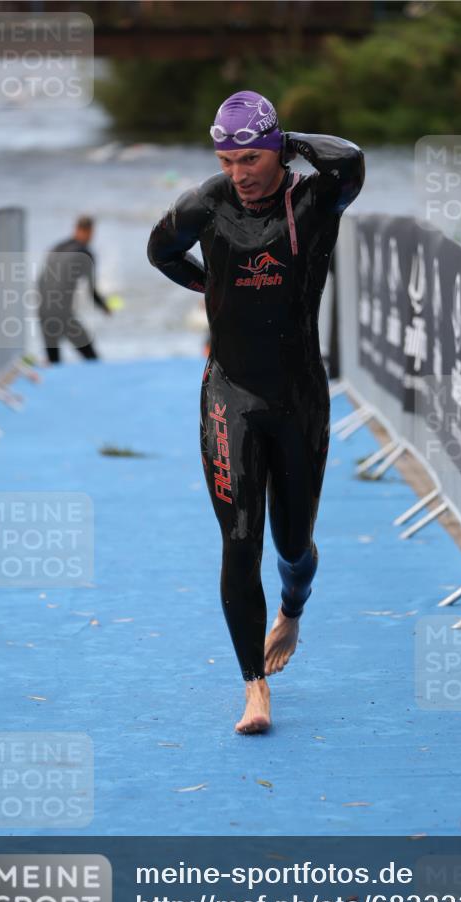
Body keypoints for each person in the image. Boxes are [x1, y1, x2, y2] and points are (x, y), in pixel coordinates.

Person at [147, 90, 364, 734]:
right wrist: (207, 284)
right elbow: (160, 251)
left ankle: (293, 607)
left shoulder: (316, 199)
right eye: (226, 159)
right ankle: (253, 686)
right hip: (231, 394)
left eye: (250, 158)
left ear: (277, 152)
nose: (237, 173)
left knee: (292, 544)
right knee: (240, 541)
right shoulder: (205, 204)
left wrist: (287, 140)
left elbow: (350, 160)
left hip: (299, 397)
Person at [37, 215, 111, 363]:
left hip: (43, 310)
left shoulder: (57, 247)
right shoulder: (86, 253)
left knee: (54, 361)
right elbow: (91, 291)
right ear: (89, 231)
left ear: (76, 228)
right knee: (92, 358)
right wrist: (105, 307)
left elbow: (41, 281)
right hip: (62, 313)